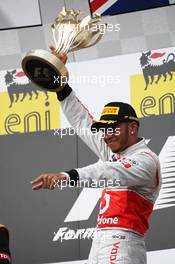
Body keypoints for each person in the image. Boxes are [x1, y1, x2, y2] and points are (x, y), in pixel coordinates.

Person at [32, 51, 161, 264]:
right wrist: (61, 85)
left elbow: (110, 172)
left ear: (133, 128)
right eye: (104, 129)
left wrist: (67, 176)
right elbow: (83, 123)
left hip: (124, 241)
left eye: (113, 128)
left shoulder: (146, 160)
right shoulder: (113, 151)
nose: (107, 134)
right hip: (99, 241)